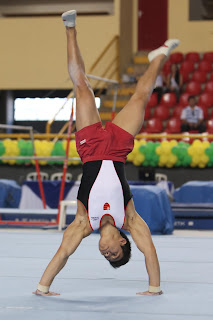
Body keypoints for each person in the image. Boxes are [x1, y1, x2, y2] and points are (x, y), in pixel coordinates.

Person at [33, 10, 180, 297]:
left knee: (82, 86)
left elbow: (63, 254)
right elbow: (149, 250)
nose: (106, 253)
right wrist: (154, 288)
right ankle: (158, 56)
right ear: (124, 243)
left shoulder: (82, 224)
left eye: (105, 257)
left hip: (89, 149)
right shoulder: (131, 220)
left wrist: (43, 288)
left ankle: (70, 29)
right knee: (140, 97)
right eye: (114, 255)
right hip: (118, 148)